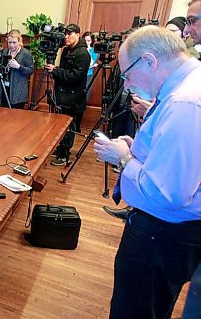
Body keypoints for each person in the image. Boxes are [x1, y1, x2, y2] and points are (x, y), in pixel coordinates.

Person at [93, 25, 201, 318]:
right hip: (169, 232)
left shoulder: (184, 103)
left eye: (127, 75)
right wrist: (139, 149)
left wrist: (126, 159)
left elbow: (171, 193)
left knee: (136, 310)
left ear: (150, 61)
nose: (127, 85)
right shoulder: (187, 86)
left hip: (161, 232)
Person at [46, 24, 90, 166]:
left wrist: (56, 70)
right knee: (61, 125)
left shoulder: (83, 54)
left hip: (73, 98)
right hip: (62, 94)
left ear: (78, 34)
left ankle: (64, 155)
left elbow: (76, 76)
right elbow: (65, 71)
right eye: (65, 34)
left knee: (69, 126)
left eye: (70, 34)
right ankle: (60, 149)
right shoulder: (66, 50)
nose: (66, 37)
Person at [2, 29, 34, 109]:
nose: (12, 45)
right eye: (10, 42)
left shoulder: (26, 53)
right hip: (5, 89)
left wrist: (18, 66)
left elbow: (31, 70)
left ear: (19, 41)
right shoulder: (5, 52)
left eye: (14, 42)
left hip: (18, 92)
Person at [82, 31, 98, 98]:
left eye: (88, 40)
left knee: (86, 94)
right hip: (77, 74)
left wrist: (87, 51)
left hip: (88, 75)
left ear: (91, 41)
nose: (86, 42)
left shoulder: (94, 51)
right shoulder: (79, 50)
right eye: (85, 40)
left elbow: (90, 64)